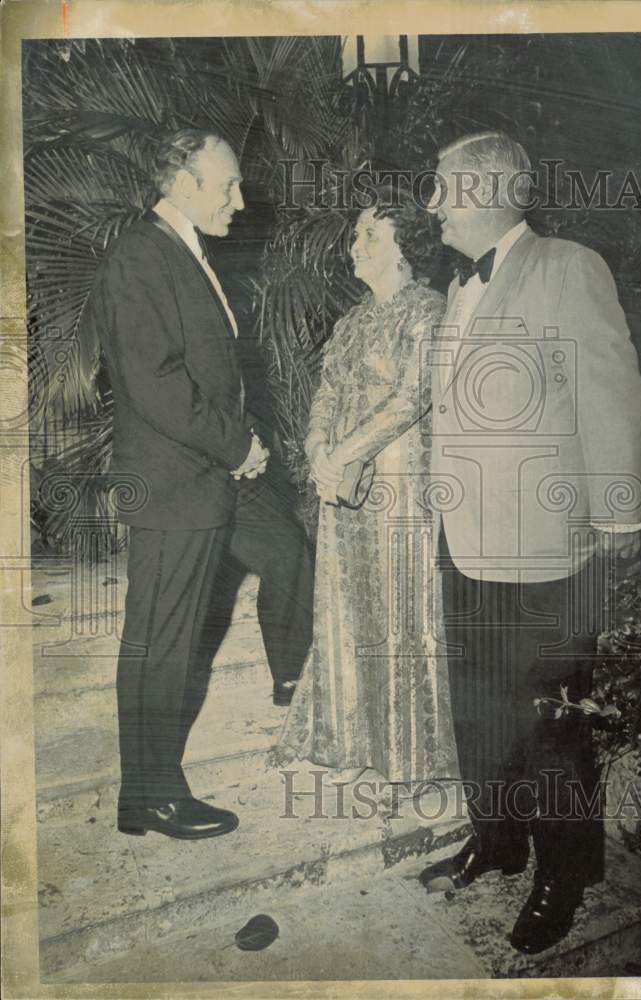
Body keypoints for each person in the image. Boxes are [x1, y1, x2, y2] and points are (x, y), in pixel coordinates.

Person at [417, 131, 641, 954]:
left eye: (443, 186)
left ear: (484, 191)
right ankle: (499, 838)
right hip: (467, 538)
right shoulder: (459, 283)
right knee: (479, 706)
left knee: (551, 721)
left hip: (548, 546)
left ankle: (566, 867)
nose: (434, 201)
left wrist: (619, 514)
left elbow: (611, 394)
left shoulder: (567, 266)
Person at [81, 129, 314, 840]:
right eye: (227, 187)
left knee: (284, 548)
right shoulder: (140, 257)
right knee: (161, 638)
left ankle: (293, 683)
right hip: (174, 480)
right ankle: (150, 795)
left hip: (208, 471)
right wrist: (237, 443)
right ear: (181, 182)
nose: (240, 202)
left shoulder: (184, 251)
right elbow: (155, 383)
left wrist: (239, 448)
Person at [272, 188, 458, 786]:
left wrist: (343, 455)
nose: (355, 246)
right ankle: (352, 738)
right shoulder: (352, 320)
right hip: (342, 486)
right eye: (356, 235)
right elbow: (325, 392)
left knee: (399, 612)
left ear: (405, 248)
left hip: (400, 489)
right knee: (347, 607)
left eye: (369, 236)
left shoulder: (427, 312)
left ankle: (407, 753)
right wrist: (319, 452)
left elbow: (409, 399)